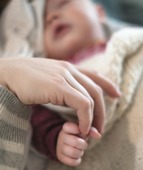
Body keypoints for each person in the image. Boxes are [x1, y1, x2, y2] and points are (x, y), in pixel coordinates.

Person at [0, 0, 120, 169]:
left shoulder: (126, 41)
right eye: (42, 23)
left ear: (99, 13)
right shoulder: (47, 84)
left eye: (63, 3)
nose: (50, 17)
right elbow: (35, 119)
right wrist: (58, 137)